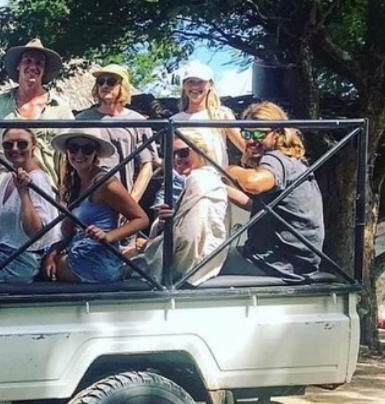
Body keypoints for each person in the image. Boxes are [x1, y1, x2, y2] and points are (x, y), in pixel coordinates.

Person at [223, 101, 324, 281]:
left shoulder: (275, 158)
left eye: (258, 133)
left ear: (277, 134)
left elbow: (254, 183)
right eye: (247, 133)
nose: (251, 140)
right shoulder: (294, 161)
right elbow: (255, 205)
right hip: (298, 263)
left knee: (201, 262)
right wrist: (219, 186)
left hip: (276, 264)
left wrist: (226, 169)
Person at [42, 128, 148, 283]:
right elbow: (69, 232)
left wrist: (108, 236)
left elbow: (142, 219)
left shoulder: (106, 183)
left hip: (98, 261)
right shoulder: (74, 181)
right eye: (74, 148)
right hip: (78, 253)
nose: (79, 154)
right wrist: (53, 252)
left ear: (95, 153)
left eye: (87, 149)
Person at [0, 128, 60, 287]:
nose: (15, 149)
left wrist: (24, 193)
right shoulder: (7, 177)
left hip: (22, 260)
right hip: (0, 253)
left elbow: (36, 231)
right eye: (8, 145)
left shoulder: (37, 180)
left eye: (22, 144)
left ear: (34, 146)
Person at [137, 128, 229, 285]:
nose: (177, 159)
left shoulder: (199, 181)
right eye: (172, 155)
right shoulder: (188, 180)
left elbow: (190, 236)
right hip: (192, 264)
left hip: (189, 269)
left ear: (200, 152)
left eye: (183, 153)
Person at [0, 38, 74, 188]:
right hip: (3, 193)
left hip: (46, 194)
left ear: (44, 69)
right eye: (27, 61)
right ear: (18, 65)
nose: (33, 66)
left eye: (39, 63)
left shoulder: (60, 109)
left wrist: (65, 196)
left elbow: (69, 159)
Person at [74, 64, 156, 203]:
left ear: (122, 86)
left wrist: (132, 201)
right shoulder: (82, 119)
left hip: (121, 198)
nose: (105, 85)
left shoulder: (137, 121)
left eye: (111, 81)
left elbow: (147, 165)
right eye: (101, 81)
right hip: (85, 198)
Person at [172, 60, 245, 168]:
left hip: (215, 179)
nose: (195, 86)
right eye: (190, 82)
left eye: (200, 82)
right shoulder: (174, 120)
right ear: (184, 85)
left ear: (210, 84)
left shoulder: (221, 115)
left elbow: (243, 146)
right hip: (183, 181)